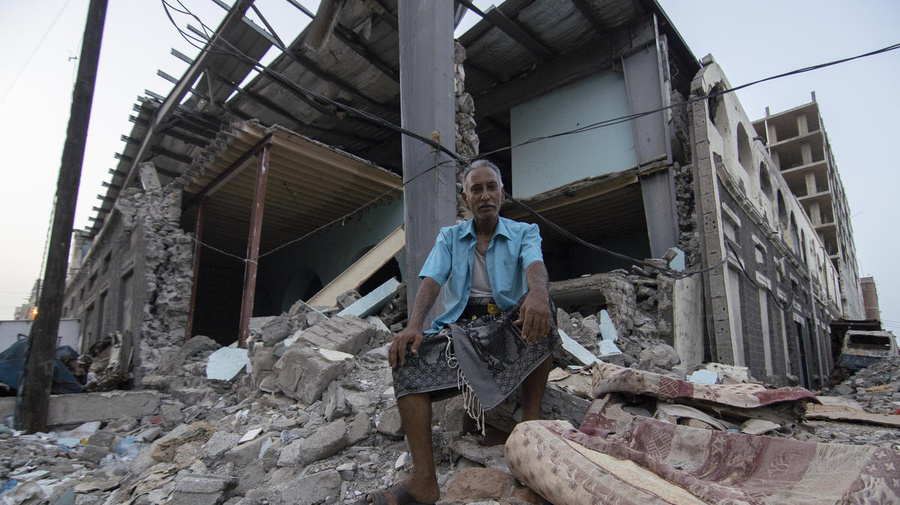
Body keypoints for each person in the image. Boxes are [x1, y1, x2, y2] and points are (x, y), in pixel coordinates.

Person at [358, 160, 560, 505]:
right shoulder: (450, 238)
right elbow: (432, 281)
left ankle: (530, 430)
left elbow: (534, 266)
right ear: (464, 196)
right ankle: (424, 480)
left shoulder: (525, 232)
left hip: (506, 327)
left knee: (543, 310)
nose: (485, 196)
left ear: (502, 193)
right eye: (476, 189)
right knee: (405, 360)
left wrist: (539, 292)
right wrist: (414, 325)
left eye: (491, 187)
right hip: (463, 331)